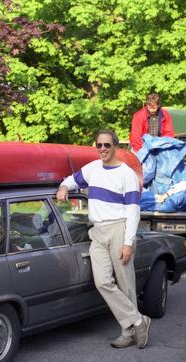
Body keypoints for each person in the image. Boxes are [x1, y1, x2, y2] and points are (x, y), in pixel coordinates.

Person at [56, 129, 151, 349]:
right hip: (97, 232)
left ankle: (128, 332)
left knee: (126, 283)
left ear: (116, 147)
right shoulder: (92, 169)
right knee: (102, 281)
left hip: (120, 229)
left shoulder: (127, 174)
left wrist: (128, 242)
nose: (102, 150)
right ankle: (138, 320)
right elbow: (72, 180)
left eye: (107, 145)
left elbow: (133, 211)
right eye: (99, 145)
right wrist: (63, 186)